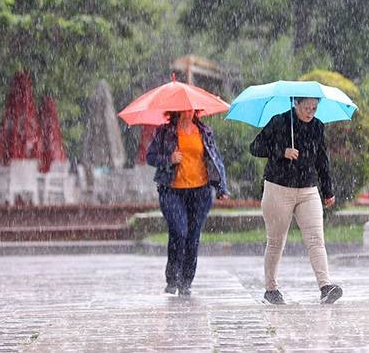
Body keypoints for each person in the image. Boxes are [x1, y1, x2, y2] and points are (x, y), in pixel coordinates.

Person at [249, 96, 342, 305]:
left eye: (314, 108)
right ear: (296, 103)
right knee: (276, 242)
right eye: (306, 107)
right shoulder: (280, 121)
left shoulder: (318, 126)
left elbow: (322, 160)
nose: (310, 112)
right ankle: (271, 289)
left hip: (308, 190)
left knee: (316, 239)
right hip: (278, 188)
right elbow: (255, 147)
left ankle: (325, 286)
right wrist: (282, 152)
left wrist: (328, 190)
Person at [145, 109, 230, 296]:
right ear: (177, 109)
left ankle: (186, 281)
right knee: (179, 231)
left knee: (193, 236)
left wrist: (222, 187)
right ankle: (172, 277)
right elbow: (150, 157)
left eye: (192, 107)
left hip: (200, 192)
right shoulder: (165, 132)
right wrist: (169, 159)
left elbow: (216, 160)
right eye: (185, 107)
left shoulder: (204, 131)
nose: (189, 111)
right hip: (172, 190)